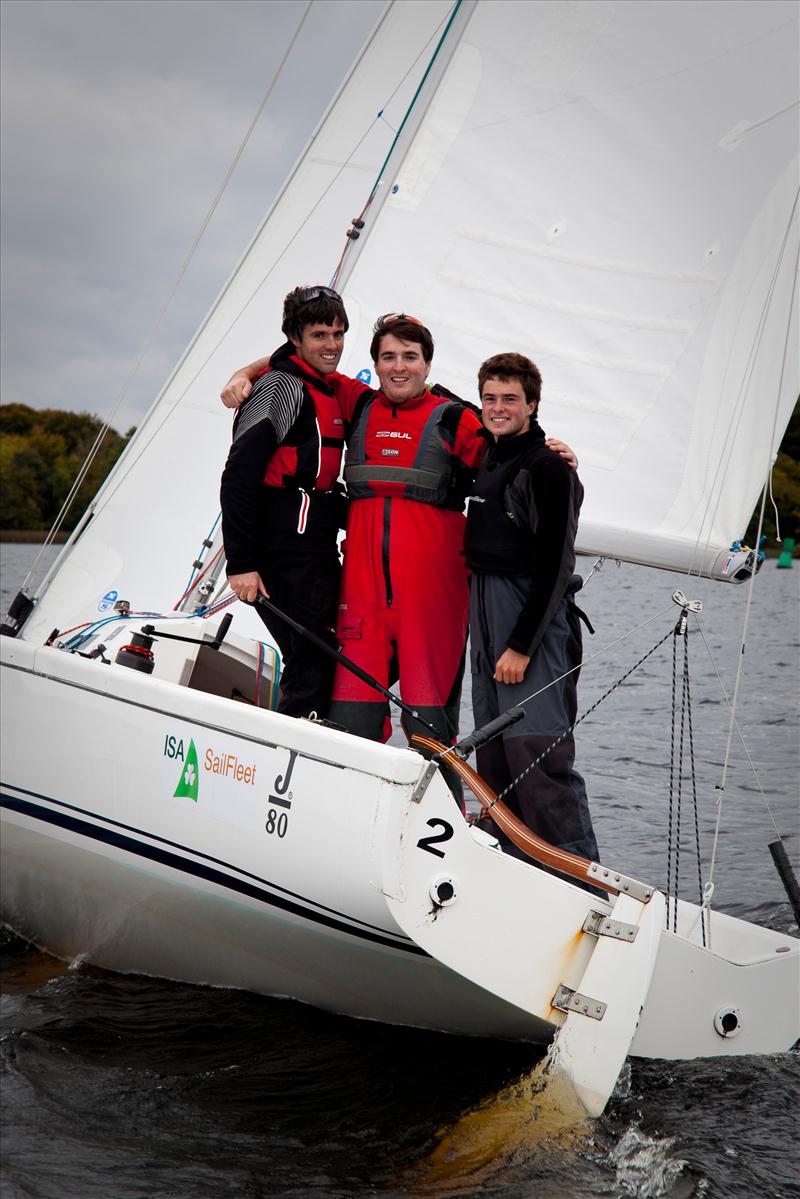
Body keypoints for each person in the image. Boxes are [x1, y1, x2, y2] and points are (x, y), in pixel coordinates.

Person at [326, 314, 484, 753]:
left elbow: (514, 458)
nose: (399, 367)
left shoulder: (456, 420)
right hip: (362, 605)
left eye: (410, 357)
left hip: (432, 607)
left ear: (428, 366)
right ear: (374, 364)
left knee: (431, 740)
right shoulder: (356, 404)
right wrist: (245, 375)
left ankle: (441, 816)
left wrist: (549, 447)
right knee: (350, 734)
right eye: (389, 356)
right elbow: (297, 361)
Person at [464, 352, 599, 863]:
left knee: (535, 752)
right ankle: (511, 862)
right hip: (485, 611)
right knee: (494, 753)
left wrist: (520, 646)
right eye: (490, 399)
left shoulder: (548, 468)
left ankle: (582, 873)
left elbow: (555, 567)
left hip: (531, 622)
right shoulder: (488, 454)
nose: (498, 408)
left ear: (532, 404)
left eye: (510, 400)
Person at [219, 284, 370, 718]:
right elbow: (238, 477)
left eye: (338, 334)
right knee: (310, 661)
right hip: (279, 553)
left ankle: (317, 744)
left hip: (316, 550)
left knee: (332, 654)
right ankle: (292, 763)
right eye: (321, 334)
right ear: (296, 337)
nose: (333, 345)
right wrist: (240, 562)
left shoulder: (329, 387)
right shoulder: (280, 390)